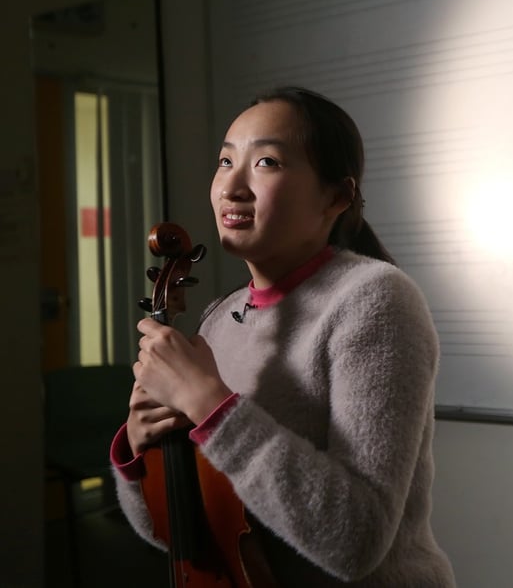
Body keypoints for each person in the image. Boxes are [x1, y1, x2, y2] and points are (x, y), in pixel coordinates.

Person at [109, 86, 457, 587]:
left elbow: (356, 541)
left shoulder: (374, 299)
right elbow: (178, 538)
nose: (232, 187)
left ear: (336, 197)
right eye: (225, 161)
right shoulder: (219, 319)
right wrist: (139, 451)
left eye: (266, 162)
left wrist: (211, 406)